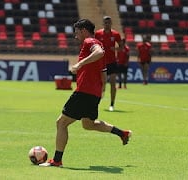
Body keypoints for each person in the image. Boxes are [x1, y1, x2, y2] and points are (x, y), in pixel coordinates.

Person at [39, 19, 132, 167]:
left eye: (76, 33)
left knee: (61, 123)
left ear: (83, 30)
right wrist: (101, 90)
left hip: (84, 91)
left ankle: (57, 160)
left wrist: (79, 64)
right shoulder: (94, 44)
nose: (75, 36)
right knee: (88, 124)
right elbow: (103, 71)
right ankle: (122, 133)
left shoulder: (89, 42)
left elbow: (100, 53)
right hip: (93, 93)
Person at [95, 16, 123, 111]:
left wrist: (115, 49)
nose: (107, 24)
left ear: (111, 23)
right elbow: (93, 45)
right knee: (101, 84)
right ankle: (97, 100)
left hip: (112, 62)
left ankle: (112, 104)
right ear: (103, 23)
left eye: (109, 23)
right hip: (101, 62)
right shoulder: (98, 33)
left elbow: (121, 47)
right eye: (105, 23)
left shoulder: (116, 34)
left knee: (112, 83)